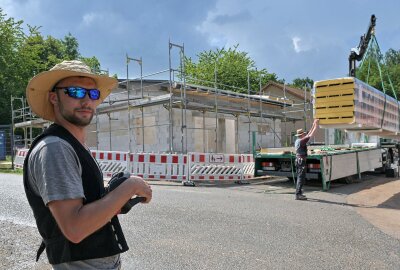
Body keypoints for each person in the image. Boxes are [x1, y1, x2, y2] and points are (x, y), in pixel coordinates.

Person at [23, 60, 152, 269]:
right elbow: (75, 228)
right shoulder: (56, 148)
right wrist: (130, 186)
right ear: (54, 97)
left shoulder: (72, 145)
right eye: (75, 91)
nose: (86, 100)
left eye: (92, 94)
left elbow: (85, 210)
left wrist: (112, 198)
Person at [294, 119, 319, 200]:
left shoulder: (298, 140)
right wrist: (316, 125)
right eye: (303, 134)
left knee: (300, 177)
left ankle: (299, 193)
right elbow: (311, 134)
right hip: (301, 161)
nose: (305, 135)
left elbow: (309, 134)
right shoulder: (302, 141)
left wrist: (313, 124)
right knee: (301, 178)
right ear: (302, 135)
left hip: (298, 160)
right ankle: (298, 194)